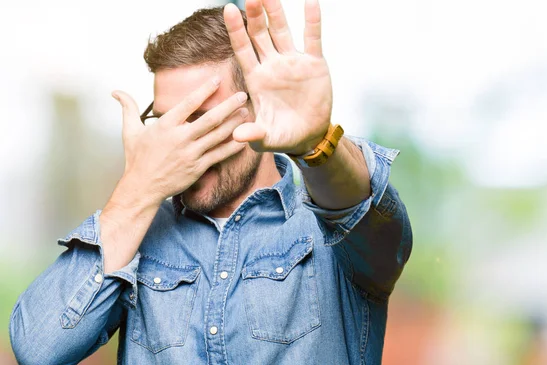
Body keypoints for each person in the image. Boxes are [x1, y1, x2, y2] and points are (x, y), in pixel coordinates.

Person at [9, 0, 412, 364]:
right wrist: (139, 187)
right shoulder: (138, 233)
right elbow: (39, 350)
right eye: (168, 122)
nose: (185, 142)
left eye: (204, 119)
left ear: (260, 110)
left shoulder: (324, 229)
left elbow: (366, 213)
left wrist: (317, 143)